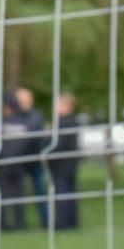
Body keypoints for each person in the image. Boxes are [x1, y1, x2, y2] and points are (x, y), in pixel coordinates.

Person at [0, 87, 47, 231]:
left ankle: (22, 223)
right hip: (11, 164)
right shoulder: (5, 121)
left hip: (27, 162)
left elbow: (36, 141)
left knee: (23, 193)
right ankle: (8, 224)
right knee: (8, 194)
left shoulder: (34, 117)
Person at [48, 92, 83, 231]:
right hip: (70, 164)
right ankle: (71, 222)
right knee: (70, 193)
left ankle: (63, 223)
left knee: (63, 194)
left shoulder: (63, 123)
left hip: (61, 165)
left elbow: (58, 145)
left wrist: (48, 153)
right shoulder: (72, 121)